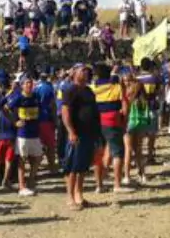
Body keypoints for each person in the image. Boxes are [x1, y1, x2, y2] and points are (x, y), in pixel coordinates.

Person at [60, 64, 101, 211]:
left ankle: (79, 195)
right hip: (76, 134)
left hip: (89, 133)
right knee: (72, 167)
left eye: (86, 70)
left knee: (83, 167)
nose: (85, 72)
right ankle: (70, 197)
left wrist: (97, 133)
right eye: (82, 70)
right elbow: (65, 112)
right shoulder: (70, 90)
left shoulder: (89, 91)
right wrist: (71, 131)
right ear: (75, 73)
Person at [91, 64, 132, 193]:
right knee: (118, 153)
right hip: (113, 121)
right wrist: (124, 122)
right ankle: (117, 185)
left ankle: (99, 185)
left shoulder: (92, 88)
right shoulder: (116, 87)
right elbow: (125, 107)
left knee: (99, 154)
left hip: (97, 122)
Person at [6, 76, 42, 196]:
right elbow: (6, 108)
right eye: (27, 83)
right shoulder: (18, 98)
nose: (29, 85)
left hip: (35, 132)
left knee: (38, 157)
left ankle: (31, 181)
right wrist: (14, 122)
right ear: (22, 85)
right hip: (23, 134)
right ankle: (22, 187)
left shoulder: (36, 96)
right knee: (22, 159)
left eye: (31, 83)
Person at [137, 57, 161, 167]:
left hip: (139, 108)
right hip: (151, 107)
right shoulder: (155, 78)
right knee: (151, 134)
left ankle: (139, 156)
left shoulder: (136, 78)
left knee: (140, 135)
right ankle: (150, 156)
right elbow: (159, 92)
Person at [34, 70, 58, 174]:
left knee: (39, 145)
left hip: (37, 119)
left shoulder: (35, 88)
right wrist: (55, 119)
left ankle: (35, 167)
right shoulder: (49, 88)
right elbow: (53, 104)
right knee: (50, 145)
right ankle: (52, 167)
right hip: (47, 118)